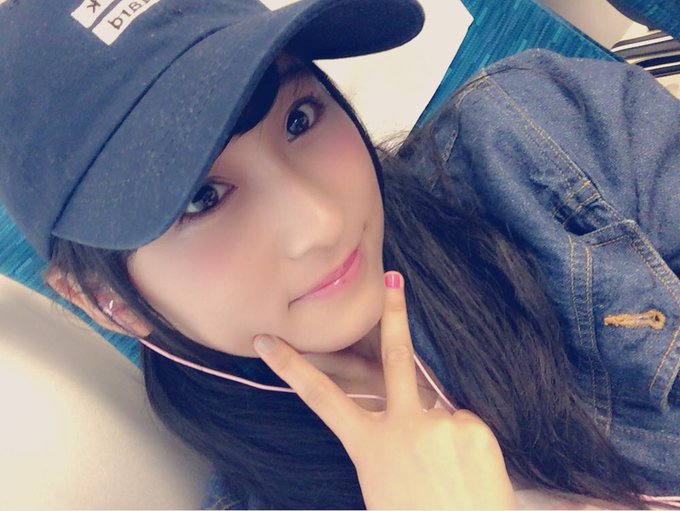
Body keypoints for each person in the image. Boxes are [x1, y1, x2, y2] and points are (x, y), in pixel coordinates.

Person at [1, 0, 679, 508]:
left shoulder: (544, 141)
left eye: (300, 118)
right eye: (201, 199)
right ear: (107, 303)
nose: (320, 222)